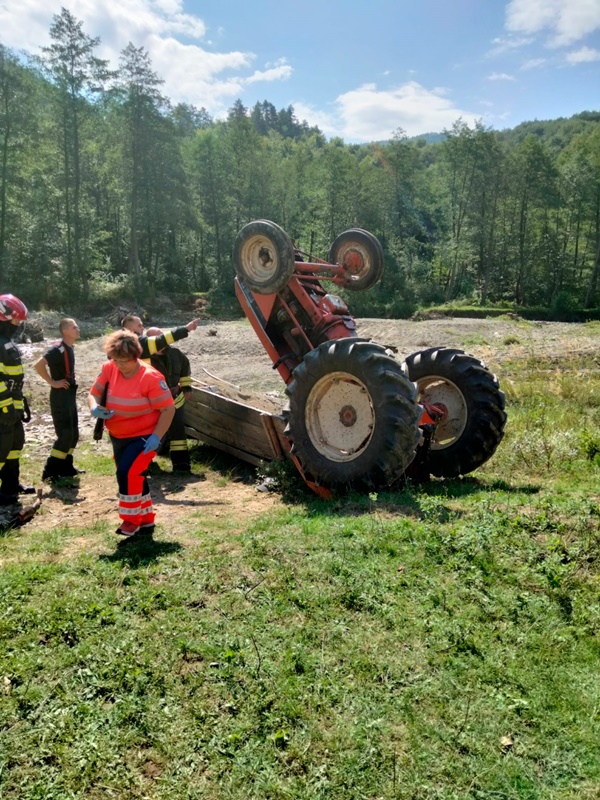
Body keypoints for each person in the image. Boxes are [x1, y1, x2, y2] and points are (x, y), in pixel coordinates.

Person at [88, 330, 175, 537]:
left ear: (136, 357)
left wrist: (156, 437)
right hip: (118, 435)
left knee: (127, 473)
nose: (119, 365)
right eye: (116, 359)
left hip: (146, 436)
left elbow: (168, 409)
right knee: (136, 475)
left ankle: (130, 520)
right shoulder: (109, 368)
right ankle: (146, 519)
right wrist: (94, 407)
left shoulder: (151, 377)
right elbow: (94, 392)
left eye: (124, 361)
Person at [34, 318, 85, 481]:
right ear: (65, 331)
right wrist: (52, 382)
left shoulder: (69, 348)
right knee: (65, 433)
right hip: (60, 396)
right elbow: (38, 365)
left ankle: (66, 466)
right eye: (73, 327)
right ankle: (50, 470)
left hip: (69, 394)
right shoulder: (58, 349)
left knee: (74, 433)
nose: (77, 329)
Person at [0, 293, 34, 505]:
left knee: (14, 446)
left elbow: (13, 379)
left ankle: (11, 485)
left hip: (12, 405)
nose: (19, 324)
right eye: (16, 320)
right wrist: (5, 407)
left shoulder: (7, 342)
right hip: (2, 407)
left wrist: (19, 406)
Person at [145, 327, 193, 473]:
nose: (162, 338)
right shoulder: (145, 358)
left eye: (162, 334)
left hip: (175, 399)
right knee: (149, 432)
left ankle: (181, 465)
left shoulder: (175, 354)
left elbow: (185, 368)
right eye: (157, 336)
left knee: (178, 432)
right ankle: (146, 463)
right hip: (153, 402)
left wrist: (186, 387)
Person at [121, 314, 201, 361]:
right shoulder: (137, 342)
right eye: (139, 326)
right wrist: (186, 329)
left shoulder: (118, 344)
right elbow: (160, 340)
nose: (142, 328)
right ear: (129, 329)